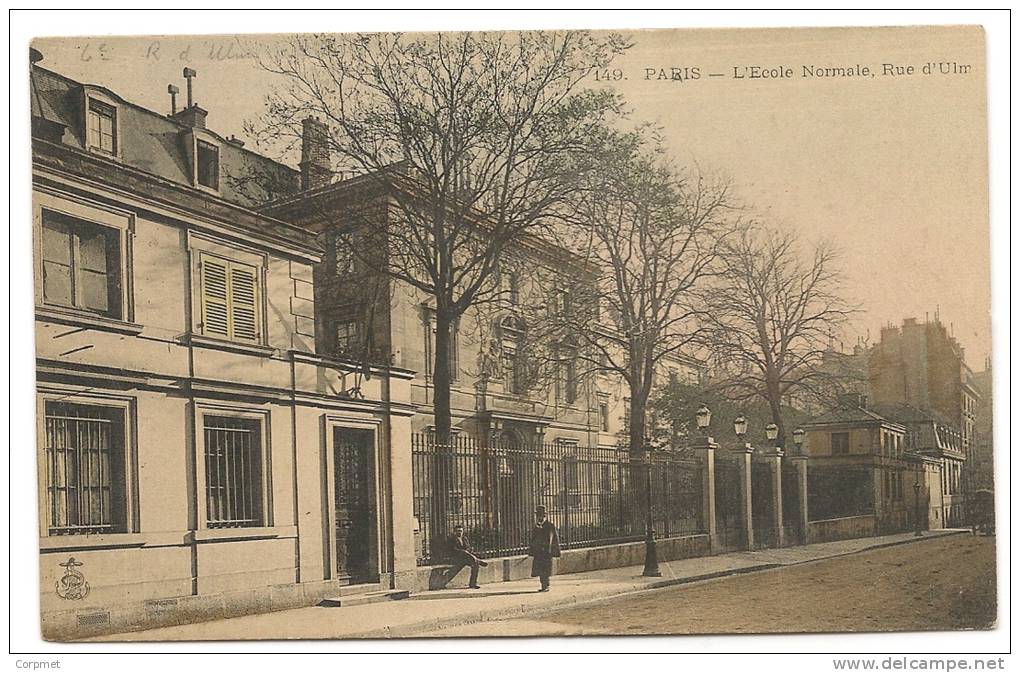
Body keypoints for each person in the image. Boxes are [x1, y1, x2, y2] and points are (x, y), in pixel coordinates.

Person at [527, 505, 560, 592]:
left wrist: (553, 551)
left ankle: (546, 586)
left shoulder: (549, 525)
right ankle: (543, 585)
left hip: (546, 552)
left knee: (546, 569)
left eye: (541, 515)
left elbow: (553, 539)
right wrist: (532, 550)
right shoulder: (536, 526)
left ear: (545, 515)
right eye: (538, 515)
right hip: (539, 552)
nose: (539, 517)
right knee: (540, 570)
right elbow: (533, 539)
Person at [446, 524, 488, 589]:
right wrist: (463, 551)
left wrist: (467, 551)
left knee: (475, 565)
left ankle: (473, 583)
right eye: (458, 531)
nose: (459, 532)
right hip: (457, 558)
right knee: (469, 556)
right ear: (454, 532)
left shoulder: (464, 538)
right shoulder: (451, 539)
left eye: (460, 531)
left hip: (466, 558)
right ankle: (478, 560)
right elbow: (453, 550)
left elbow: (468, 547)